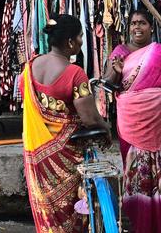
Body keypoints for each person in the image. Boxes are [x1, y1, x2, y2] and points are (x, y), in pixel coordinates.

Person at [21, 15, 110, 233]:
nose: (81, 41)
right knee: (73, 209)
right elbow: (89, 118)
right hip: (66, 155)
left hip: (36, 155)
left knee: (49, 212)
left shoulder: (29, 68)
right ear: (70, 41)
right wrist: (106, 129)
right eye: (80, 37)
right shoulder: (75, 73)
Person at [103, 9, 161, 233]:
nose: (136, 28)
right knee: (136, 174)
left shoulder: (160, 51)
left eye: (142, 23)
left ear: (151, 27)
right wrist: (115, 71)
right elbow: (108, 85)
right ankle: (142, 224)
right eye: (133, 24)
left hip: (158, 119)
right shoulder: (120, 52)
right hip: (131, 121)